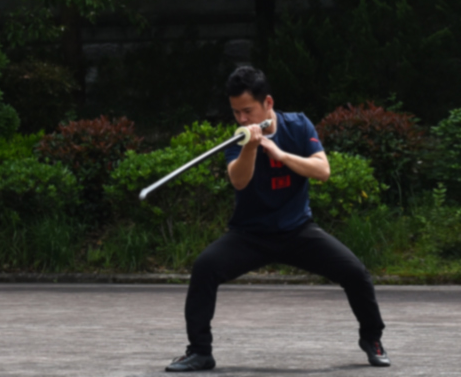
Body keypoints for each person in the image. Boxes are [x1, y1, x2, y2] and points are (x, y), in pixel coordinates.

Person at [164, 66, 391, 372]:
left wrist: (281, 154)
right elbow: (239, 181)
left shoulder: (298, 125)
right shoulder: (237, 139)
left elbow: (322, 171)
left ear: (267, 103)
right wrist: (250, 148)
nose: (242, 119)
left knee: (355, 273)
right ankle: (200, 352)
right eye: (236, 112)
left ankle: (372, 339)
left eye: (248, 111)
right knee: (205, 268)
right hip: (250, 235)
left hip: (297, 231)